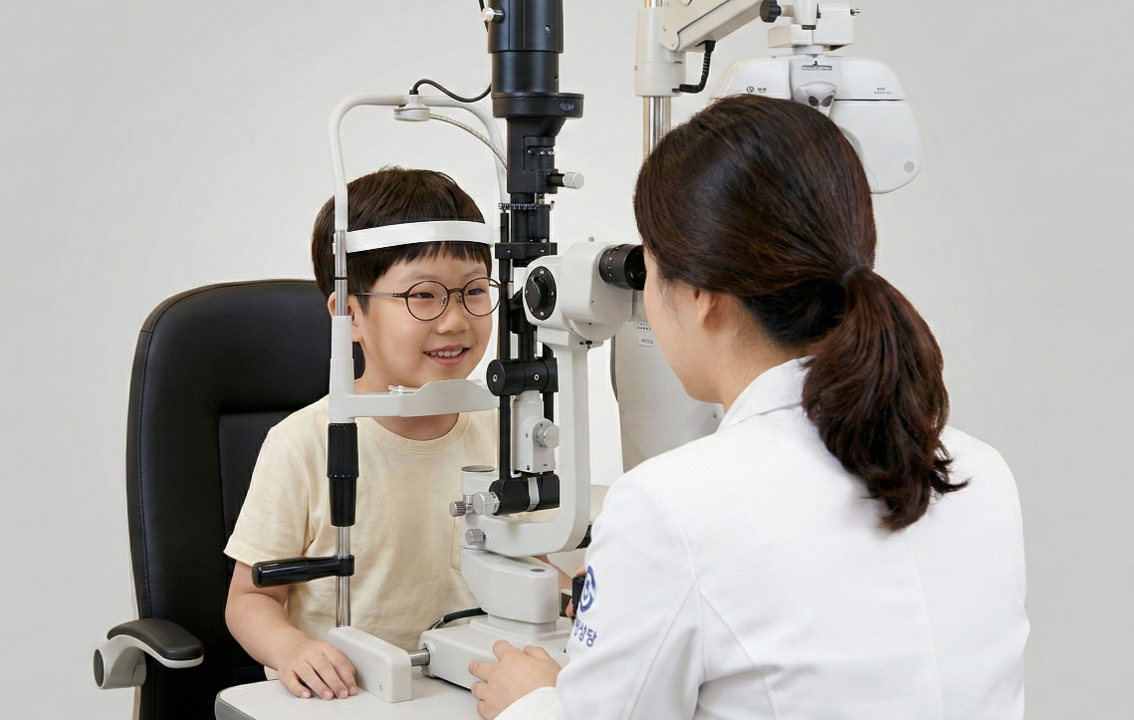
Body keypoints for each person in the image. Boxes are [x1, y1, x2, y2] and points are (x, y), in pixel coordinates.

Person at [468, 94, 1029, 719]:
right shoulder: (980, 471)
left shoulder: (669, 508)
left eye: (647, 270)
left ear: (702, 294)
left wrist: (531, 700)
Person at [225, 167, 500, 702]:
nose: (455, 321)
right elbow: (249, 600)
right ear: (350, 314)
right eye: (423, 296)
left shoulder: (502, 428)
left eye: (473, 291)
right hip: (346, 696)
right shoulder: (301, 445)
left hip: (464, 690)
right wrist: (291, 649)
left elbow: (536, 565)